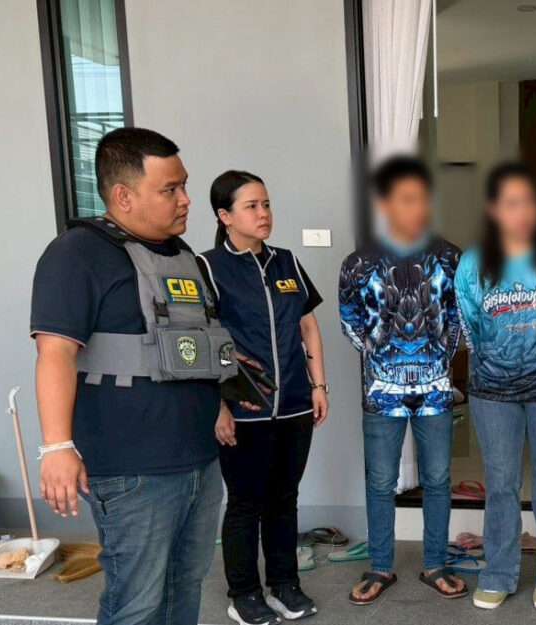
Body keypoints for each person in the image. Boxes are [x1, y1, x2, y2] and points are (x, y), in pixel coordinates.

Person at [30, 128, 236, 625]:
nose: (186, 199)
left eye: (184, 185)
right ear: (123, 196)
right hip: (132, 471)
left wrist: (220, 405)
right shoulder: (77, 254)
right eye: (170, 189)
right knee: (137, 603)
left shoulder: (184, 257)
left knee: (185, 587)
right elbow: (55, 353)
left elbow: (195, 347)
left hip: (199, 460)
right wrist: (56, 447)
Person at [455, 162, 536, 611]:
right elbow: (471, 332)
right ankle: (498, 573)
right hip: (493, 392)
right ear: (494, 209)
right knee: (500, 483)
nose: (523, 212)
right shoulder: (472, 263)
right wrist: (500, 365)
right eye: (512, 203)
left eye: (530, 201)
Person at [197, 171, 328, 624]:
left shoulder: (286, 262)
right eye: (251, 206)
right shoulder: (208, 267)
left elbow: (308, 325)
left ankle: (285, 585)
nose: (264, 213)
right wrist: (218, 406)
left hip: (294, 403)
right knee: (245, 503)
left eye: (266, 204)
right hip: (243, 410)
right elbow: (203, 340)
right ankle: (244, 593)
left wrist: (318, 385)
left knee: (284, 498)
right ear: (225, 215)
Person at [338, 155, 467, 605]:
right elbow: (349, 318)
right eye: (407, 199)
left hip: (436, 387)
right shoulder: (359, 262)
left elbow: (460, 317)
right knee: (379, 481)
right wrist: (379, 357)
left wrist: (439, 359)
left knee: (438, 478)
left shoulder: (450, 257)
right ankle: (380, 566)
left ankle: (436, 564)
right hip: (382, 391)